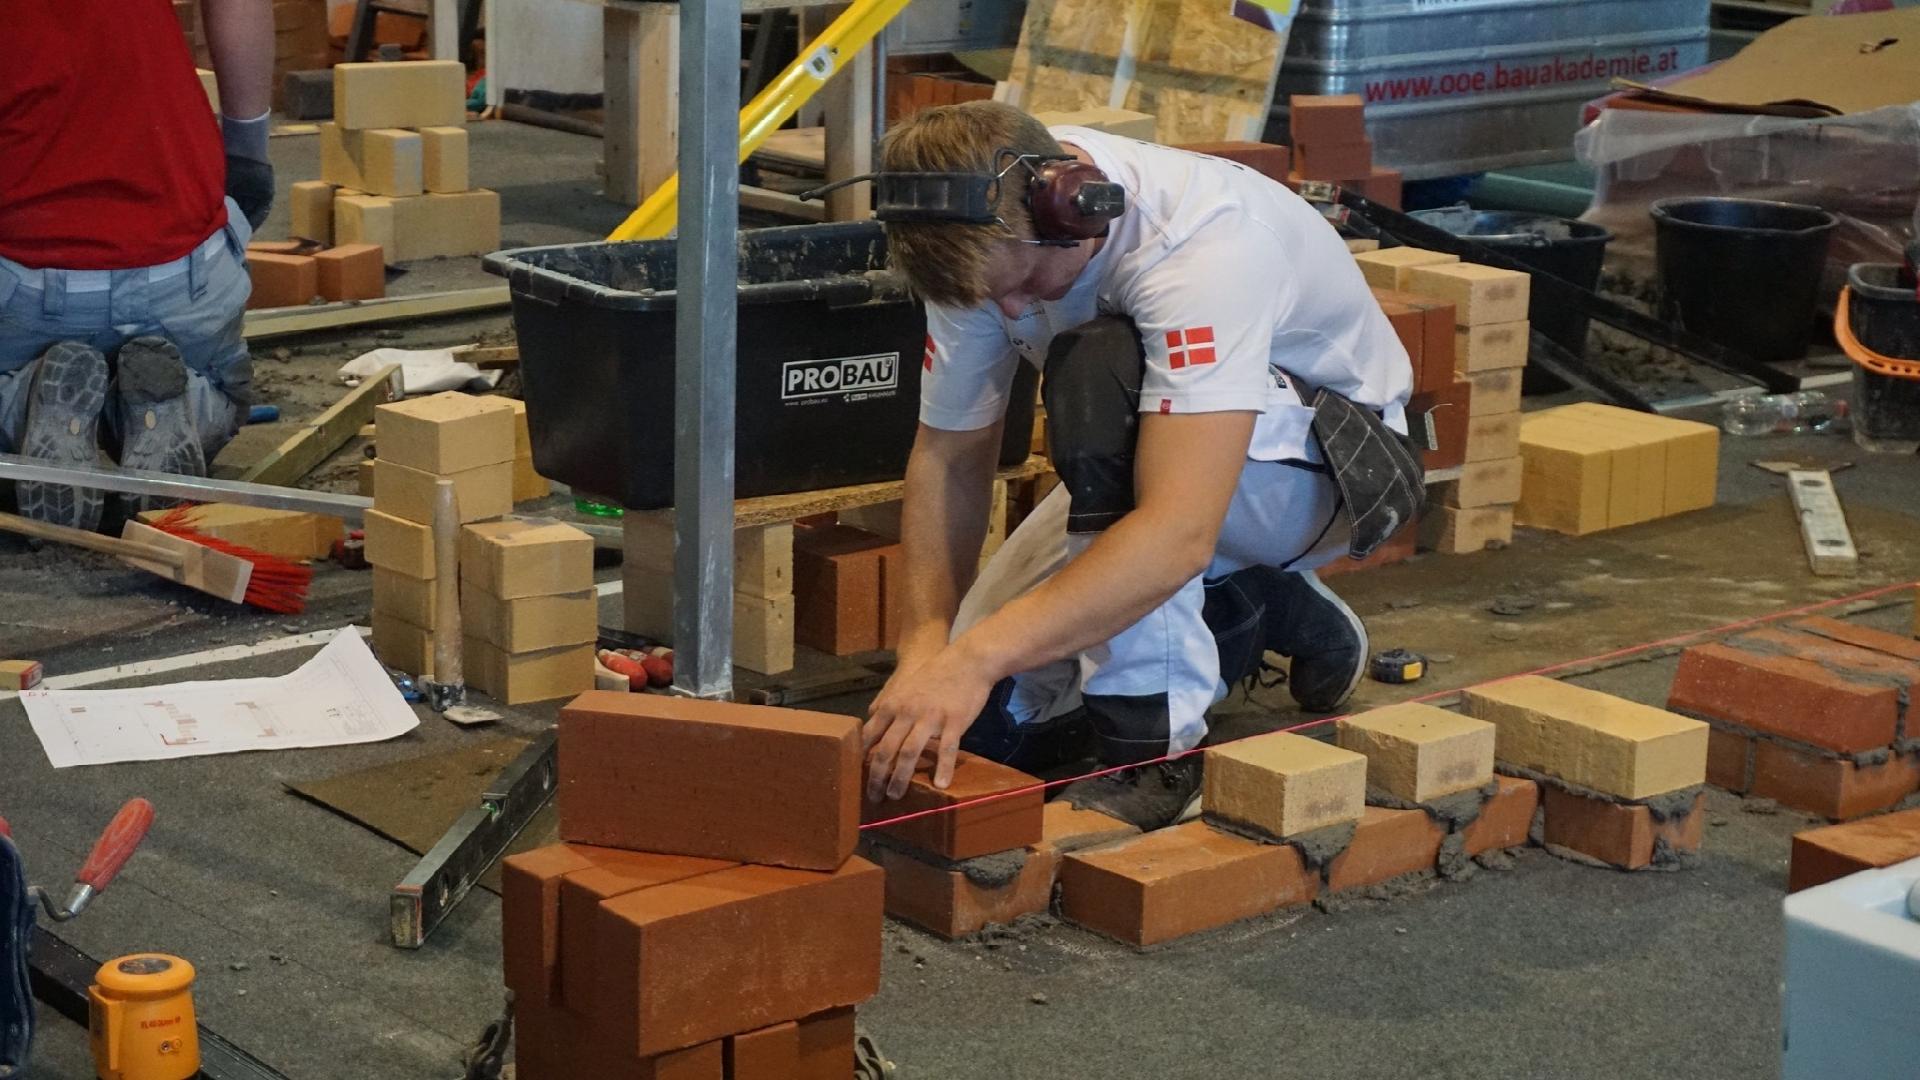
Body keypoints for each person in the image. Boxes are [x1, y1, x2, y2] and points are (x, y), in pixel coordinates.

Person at [860, 102, 1417, 830]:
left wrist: (973, 660)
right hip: (1174, 461)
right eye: (996, 298)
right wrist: (927, 649)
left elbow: (1179, 529)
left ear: (1075, 205)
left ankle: (1155, 752)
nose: (1015, 309)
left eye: (1028, 284)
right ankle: (1260, 600)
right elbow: (949, 456)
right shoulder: (975, 237)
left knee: (1100, 372)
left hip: (1342, 471)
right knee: (1002, 725)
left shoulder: (1201, 248)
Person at [1, 0, 274, 530]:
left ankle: (23, 404)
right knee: (226, 391)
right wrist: (246, 154)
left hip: (23, 280)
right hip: (184, 270)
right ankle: (180, 407)